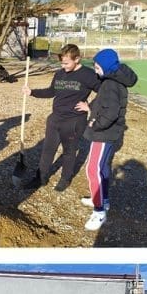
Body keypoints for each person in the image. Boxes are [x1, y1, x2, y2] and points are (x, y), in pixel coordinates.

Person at [23, 43, 100, 190]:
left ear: (77, 59)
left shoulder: (89, 75)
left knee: (69, 151)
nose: (63, 66)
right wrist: (32, 92)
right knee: (47, 149)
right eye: (62, 63)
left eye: (66, 63)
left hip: (74, 120)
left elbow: (104, 92)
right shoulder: (60, 73)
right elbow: (51, 91)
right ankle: (41, 178)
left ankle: (65, 179)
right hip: (55, 118)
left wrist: (90, 106)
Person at [77, 48, 138, 231]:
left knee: (92, 169)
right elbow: (101, 102)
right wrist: (89, 107)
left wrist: (94, 124)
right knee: (102, 168)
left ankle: (99, 212)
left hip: (103, 134)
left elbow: (110, 113)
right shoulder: (110, 81)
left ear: (107, 67)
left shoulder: (111, 84)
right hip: (108, 133)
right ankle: (102, 199)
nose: (95, 70)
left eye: (97, 67)